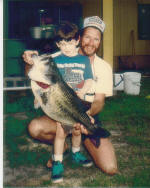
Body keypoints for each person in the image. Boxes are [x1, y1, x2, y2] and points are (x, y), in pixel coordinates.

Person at [23, 16, 118, 180]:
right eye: (88, 36)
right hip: (61, 112)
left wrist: (86, 119)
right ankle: (63, 147)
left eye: (96, 39)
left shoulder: (103, 67)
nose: (91, 42)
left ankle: (80, 145)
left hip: (87, 114)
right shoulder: (59, 56)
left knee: (110, 168)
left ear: (100, 41)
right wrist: (28, 61)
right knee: (35, 128)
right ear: (80, 38)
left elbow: (99, 102)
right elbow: (33, 72)